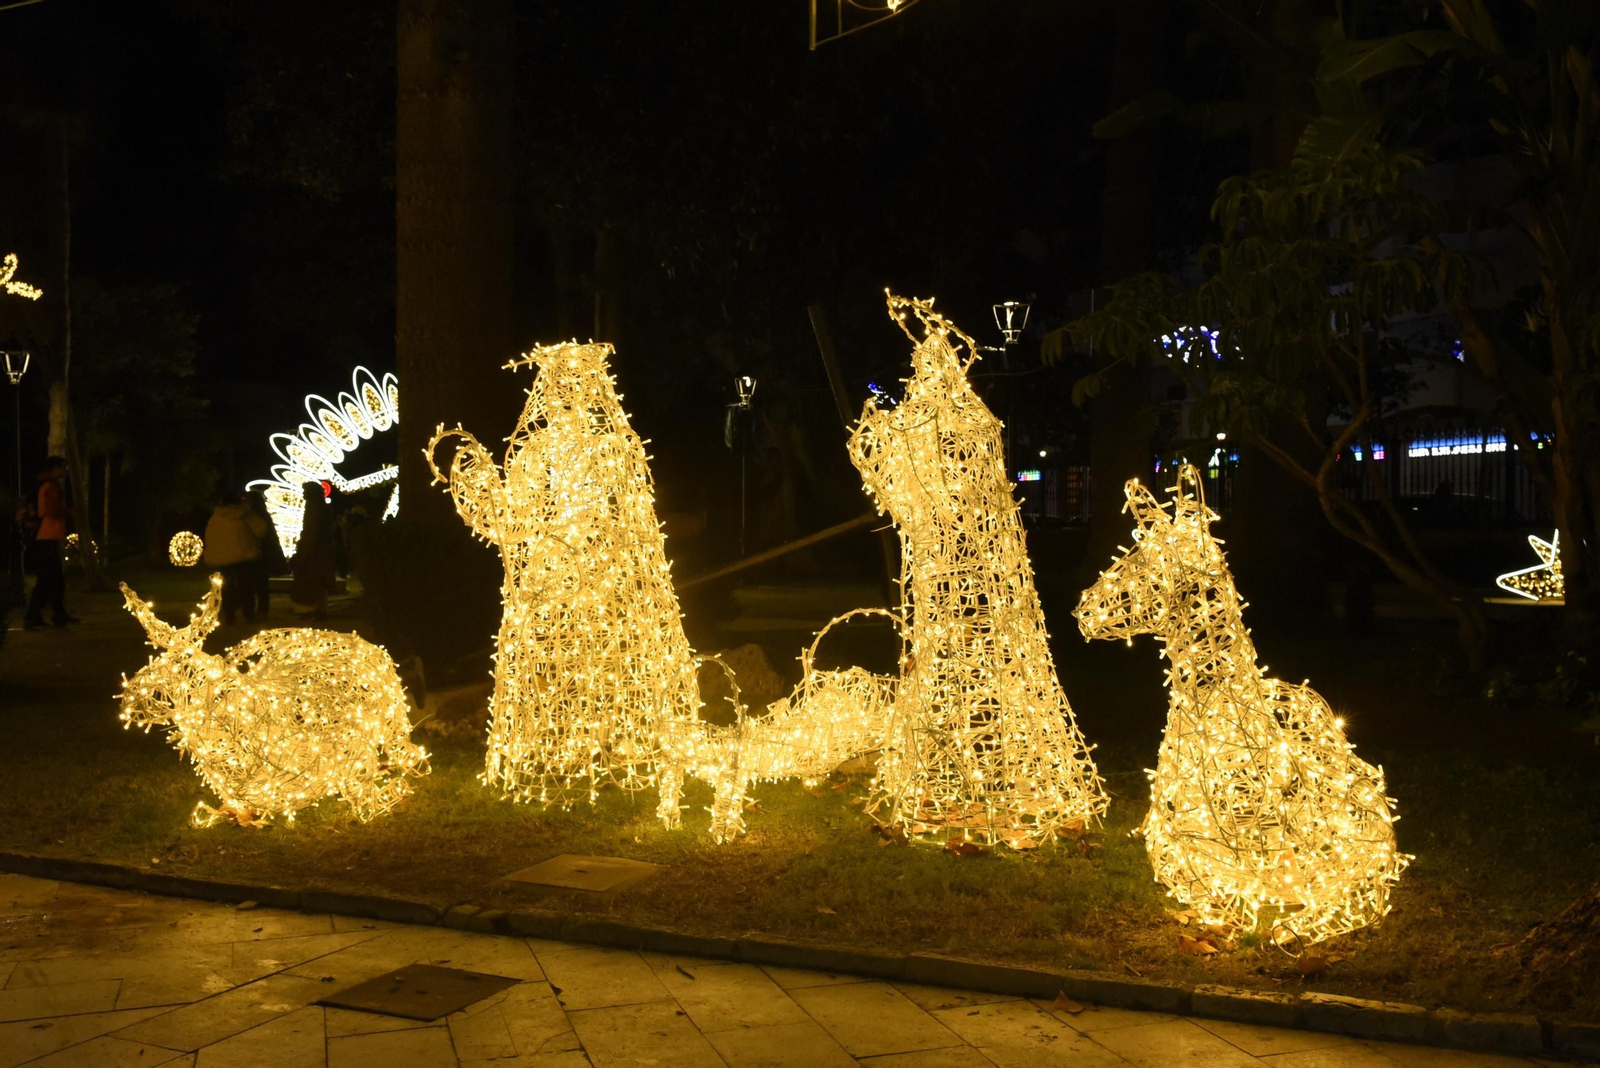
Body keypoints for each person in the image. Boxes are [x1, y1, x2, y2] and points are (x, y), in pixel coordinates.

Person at [23, 457, 77, 630]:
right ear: (54, 469)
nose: (64, 471)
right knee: (47, 579)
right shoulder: (51, 487)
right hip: (47, 536)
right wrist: (69, 512)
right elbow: (52, 510)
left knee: (55, 579)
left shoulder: (42, 485)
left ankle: (57, 615)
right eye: (62, 468)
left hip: (46, 537)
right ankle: (32, 616)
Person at [203, 489, 269, 625]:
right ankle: (249, 614)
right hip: (244, 556)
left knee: (227, 588)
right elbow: (262, 529)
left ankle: (229, 616)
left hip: (222, 559)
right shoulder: (246, 514)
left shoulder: (216, 517)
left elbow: (211, 537)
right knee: (246, 586)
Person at [291, 481, 336, 620]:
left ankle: (311, 610)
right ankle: (321, 609)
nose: (303, 494)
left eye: (305, 491)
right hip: (323, 549)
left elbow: (312, 531)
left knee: (312, 579)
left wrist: (304, 550)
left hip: (315, 550)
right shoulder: (323, 507)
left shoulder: (313, 507)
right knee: (320, 581)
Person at [245, 490, 285, 619]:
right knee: (261, 585)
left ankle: (252, 610)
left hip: (253, 554)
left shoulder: (249, 517)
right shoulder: (264, 516)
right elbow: (272, 537)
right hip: (262, 555)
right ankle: (262, 610)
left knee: (251, 584)